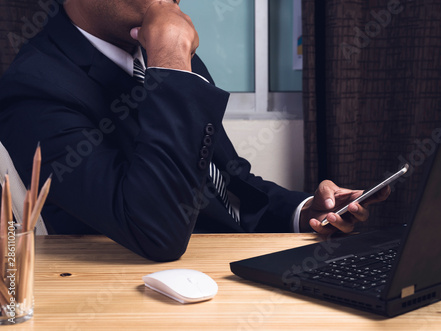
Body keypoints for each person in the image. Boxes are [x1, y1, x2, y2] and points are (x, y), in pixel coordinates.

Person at [0, 0, 389, 261]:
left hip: (223, 266)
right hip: (141, 291)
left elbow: (226, 182)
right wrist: (170, 62)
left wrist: (304, 213)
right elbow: (155, 232)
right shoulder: (35, 88)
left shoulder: (170, 55)